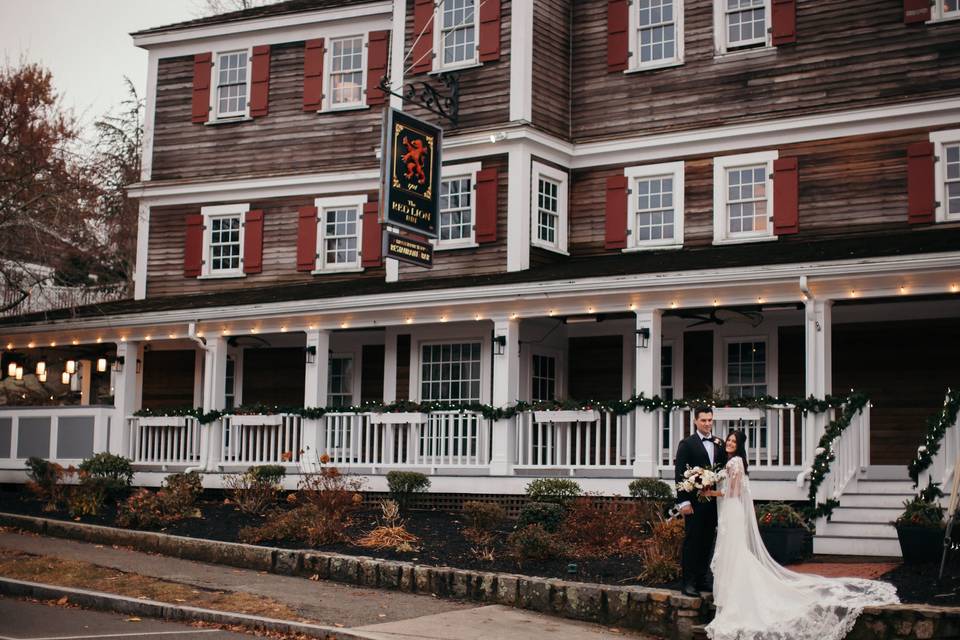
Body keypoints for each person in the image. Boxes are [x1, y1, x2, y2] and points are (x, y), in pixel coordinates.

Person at [704, 430, 899, 640]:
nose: (730, 443)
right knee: (734, 550)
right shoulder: (734, 462)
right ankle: (734, 591)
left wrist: (710, 492)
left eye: (734, 441)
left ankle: (735, 595)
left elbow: (733, 492)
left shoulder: (735, 463)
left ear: (740, 445)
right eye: (729, 440)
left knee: (733, 550)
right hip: (731, 510)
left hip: (732, 509)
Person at [674, 405, 727, 597]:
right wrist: (683, 502)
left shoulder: (719, 443)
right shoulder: (687, 444)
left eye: (710, 420)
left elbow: (722, 470)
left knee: (707, 541)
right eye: (703, 420)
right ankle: (688, 582)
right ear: (695, 421)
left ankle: (702, 579)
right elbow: (680, 474)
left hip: (713, 502)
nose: (707, 423)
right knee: (693, 541)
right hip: (694, 503)